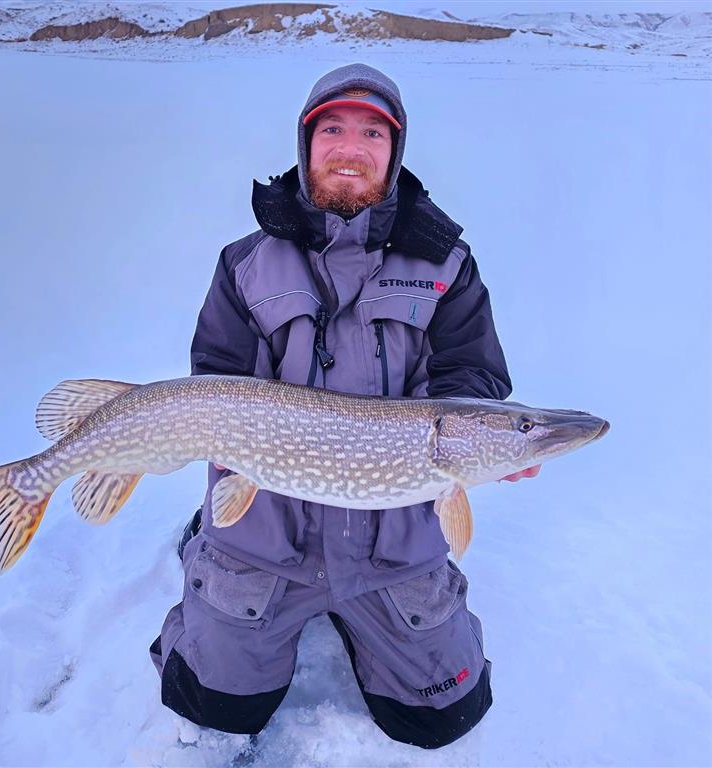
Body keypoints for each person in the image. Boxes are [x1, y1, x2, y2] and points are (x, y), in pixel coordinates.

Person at [150, 62, 539, 750]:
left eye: (371, 132)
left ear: (394, 151)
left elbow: (472, 375)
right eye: (332, 129)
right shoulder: (245, 263)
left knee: (441, 716)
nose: (350, 147)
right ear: (306, 146)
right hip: (262, 537)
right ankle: (206, 539)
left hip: (392, 546)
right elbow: (215, 373)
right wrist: (217, 443)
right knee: (209, 703)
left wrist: (492, 446)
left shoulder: (446, 265)